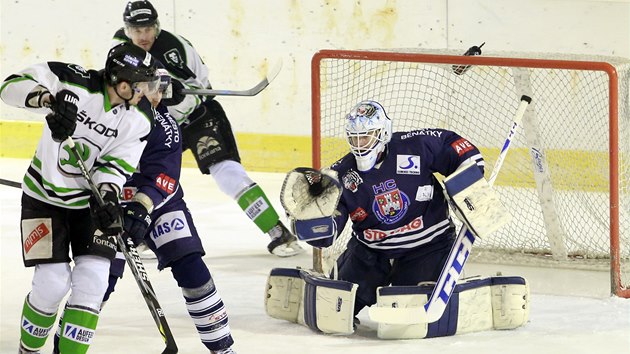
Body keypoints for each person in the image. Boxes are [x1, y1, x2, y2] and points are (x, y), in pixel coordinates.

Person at [50, 68, 237, 354]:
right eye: (149, 87)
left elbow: (164, 178)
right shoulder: (105, 116)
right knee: (98, 281)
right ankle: (64, 348)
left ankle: (222, 348)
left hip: (160, 205)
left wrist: (140, 208)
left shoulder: (165, 126)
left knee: (191, 267)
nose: (154, 95)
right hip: (108, 207)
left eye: (160, 90)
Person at [1, 42, 160, 354]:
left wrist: (109, 197)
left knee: (93, 283)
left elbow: (115, 165)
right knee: (52, 284)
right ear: (123, 83)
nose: (146, 92)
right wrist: (47, 99)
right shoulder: (72, 82)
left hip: (89, 206)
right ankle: (27, 350)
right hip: (43, 198)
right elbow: (9, 87)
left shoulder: (140, 119)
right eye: (141, 85)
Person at [111, 0, 304, 257]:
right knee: (137, 173)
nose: (143, 36)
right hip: (160, 121)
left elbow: (201, 85)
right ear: (127, 30)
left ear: (156, 27)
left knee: (228, 174)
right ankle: (140, 233)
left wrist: (180, 94)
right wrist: (160, 95)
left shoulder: (175, 47)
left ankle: (277, 231)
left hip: (199, 117)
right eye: (137, 30)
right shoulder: (120, 49)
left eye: (147, 29)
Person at [283, 100, 486, 318]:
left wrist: (467, 182)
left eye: (366, 136)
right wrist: (307, 220)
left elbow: (457, 148)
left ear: (383, 133)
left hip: (427, 247)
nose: (360, 143)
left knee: (411, 313)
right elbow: (326, 237)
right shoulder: (340, 176)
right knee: (335, 312)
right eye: (355, 137)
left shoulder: (416, 146)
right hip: (370, 253)